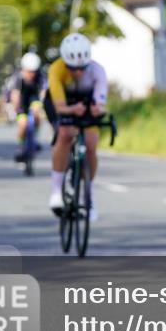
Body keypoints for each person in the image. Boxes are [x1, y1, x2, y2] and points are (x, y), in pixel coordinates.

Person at [45, 33, 108, 219]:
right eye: (73, 68)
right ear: (65, 62)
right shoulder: (56, 69)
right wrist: (72, 109)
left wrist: (98, 109)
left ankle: (89, 194)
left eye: (82, 67)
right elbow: (59, 107)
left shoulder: (98, 71)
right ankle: (56, 191)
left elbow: (101, 103)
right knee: (64, 135)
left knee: (91, 145)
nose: (78, 72)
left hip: (85, 103)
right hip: (62, 104)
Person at [9, 52, 47, 162]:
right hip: (22, 101)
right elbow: (15, 95)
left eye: (34, 71)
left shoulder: (40, 76)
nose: (32, 74)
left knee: (37, 113)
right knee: (23, 124)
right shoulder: (18, 77)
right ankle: (20, 146)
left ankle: (35, 138)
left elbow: (44, 91)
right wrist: (16, 108)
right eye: (29, 71)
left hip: (34, 98)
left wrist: (42, 103)